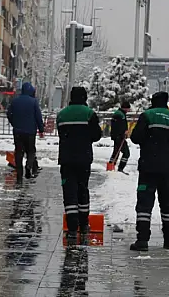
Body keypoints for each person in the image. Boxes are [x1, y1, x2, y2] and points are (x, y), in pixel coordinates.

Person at [128, 91, 169, 251]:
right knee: (167, 203)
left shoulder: (148, 115)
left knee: (145, 203)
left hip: (148, 167)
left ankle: (142, 240)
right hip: (168, 169)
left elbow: (135, 137)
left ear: (153, 101)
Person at [56, 87, 102, 243]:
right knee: (83, 190)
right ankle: (83, 225)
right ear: (84, 97)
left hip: (67, 158)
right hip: (84, 158)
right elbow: (97, 136)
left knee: (69, 193)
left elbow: (61, 134)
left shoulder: (62, 114)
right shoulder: (89, 113)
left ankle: (72, 228)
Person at [6, 82, 44, 181]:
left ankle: (19, 175)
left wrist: (14, 123)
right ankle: (28, 166)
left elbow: (9, 113)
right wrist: (41, 129)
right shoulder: (34, 102)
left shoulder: (15, 101)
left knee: (19, 152)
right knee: (31, 151)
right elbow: (38, 117)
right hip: (30, 132)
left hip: (18, 131)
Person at [109, 101, 131, 173]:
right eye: (128, 109)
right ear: (125, 108)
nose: (129, 110)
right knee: (126, 153)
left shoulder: (120, 114)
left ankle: (110, 167)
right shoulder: (120, 115)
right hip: (119, 137)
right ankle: (120, 168)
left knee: (116, 152)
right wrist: (124, 132)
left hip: (118, 137)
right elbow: (119, 127)